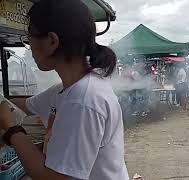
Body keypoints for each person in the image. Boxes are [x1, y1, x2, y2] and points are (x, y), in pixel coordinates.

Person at [0, 0, 129, 179]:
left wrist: (12, 130)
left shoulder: (83, 99)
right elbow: (24, 105)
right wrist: (4, 106)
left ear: (52, 41)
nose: (29, 49)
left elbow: (51, 177)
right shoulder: (67, 89)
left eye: (30, 39)